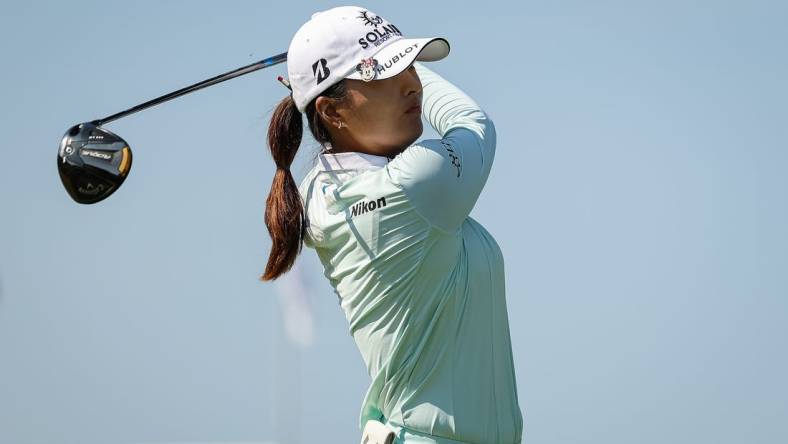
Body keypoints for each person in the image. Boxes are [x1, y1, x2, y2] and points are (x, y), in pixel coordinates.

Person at [260, 6, 523, 444]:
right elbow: (471, 123)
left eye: (407, 64)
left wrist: (312, 81)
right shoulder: (413, 183)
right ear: (332, 112)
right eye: (383, 74)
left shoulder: (321, 189)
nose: (410, 83)